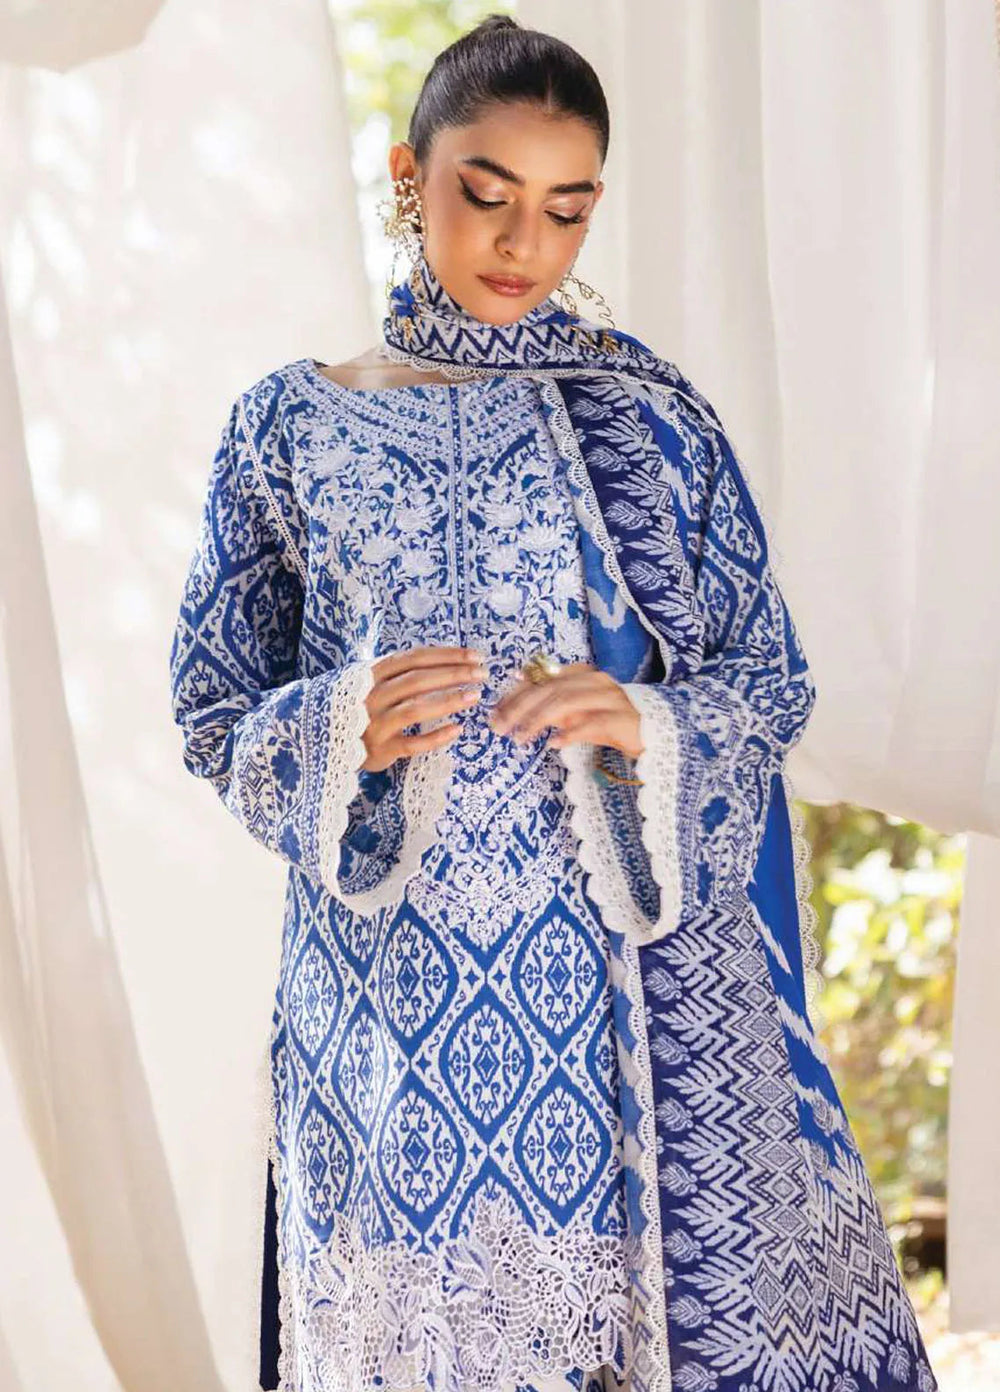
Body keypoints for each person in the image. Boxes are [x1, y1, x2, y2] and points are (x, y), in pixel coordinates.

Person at [168, 15, 939, 1392]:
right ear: (411, 176)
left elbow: (769, 680)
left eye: (568, 208)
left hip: (605, 996)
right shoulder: (291, 425)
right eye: (488, 194)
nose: (526, 243)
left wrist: (645, 723)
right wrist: (337, 723)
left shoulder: (653, 423)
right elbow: (213, 704)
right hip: (382, 1000)